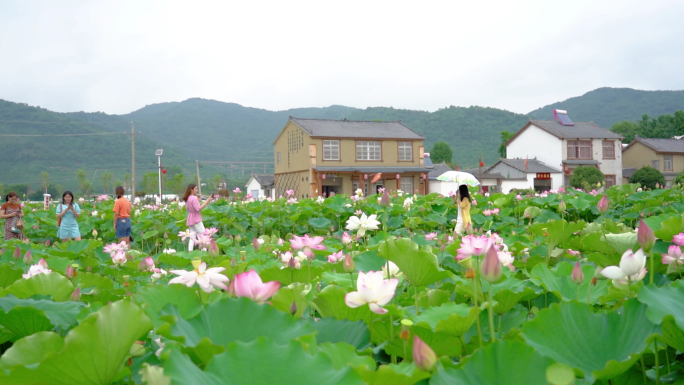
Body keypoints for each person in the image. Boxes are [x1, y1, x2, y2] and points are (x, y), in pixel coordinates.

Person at [183, 183, 214, 251]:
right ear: (191, 190)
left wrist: (198, 200)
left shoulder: (187, 198)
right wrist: (207, 201)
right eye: (196, 189)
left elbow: (190, 208)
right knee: (203, 235)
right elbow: (198, 209)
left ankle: (190, 252)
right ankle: (204, 251)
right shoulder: (193, 198)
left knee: (192, 237)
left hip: (190, 218)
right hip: (196, 219)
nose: (197, 190)